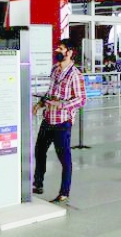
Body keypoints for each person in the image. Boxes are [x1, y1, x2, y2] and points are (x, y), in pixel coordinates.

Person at [32, 38, 87, 203]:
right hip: (48, 118)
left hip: (62, 122)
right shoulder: (55, 69)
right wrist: (41, 103)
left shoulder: (75, 75)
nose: (57, 51)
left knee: (64, 158)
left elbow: (82, 99)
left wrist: (62, 105)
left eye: (61, 49)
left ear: (69, 53)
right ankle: (38, 183)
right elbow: (51, 91)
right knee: (39, 150)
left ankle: (64, 192)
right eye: (57, 48)